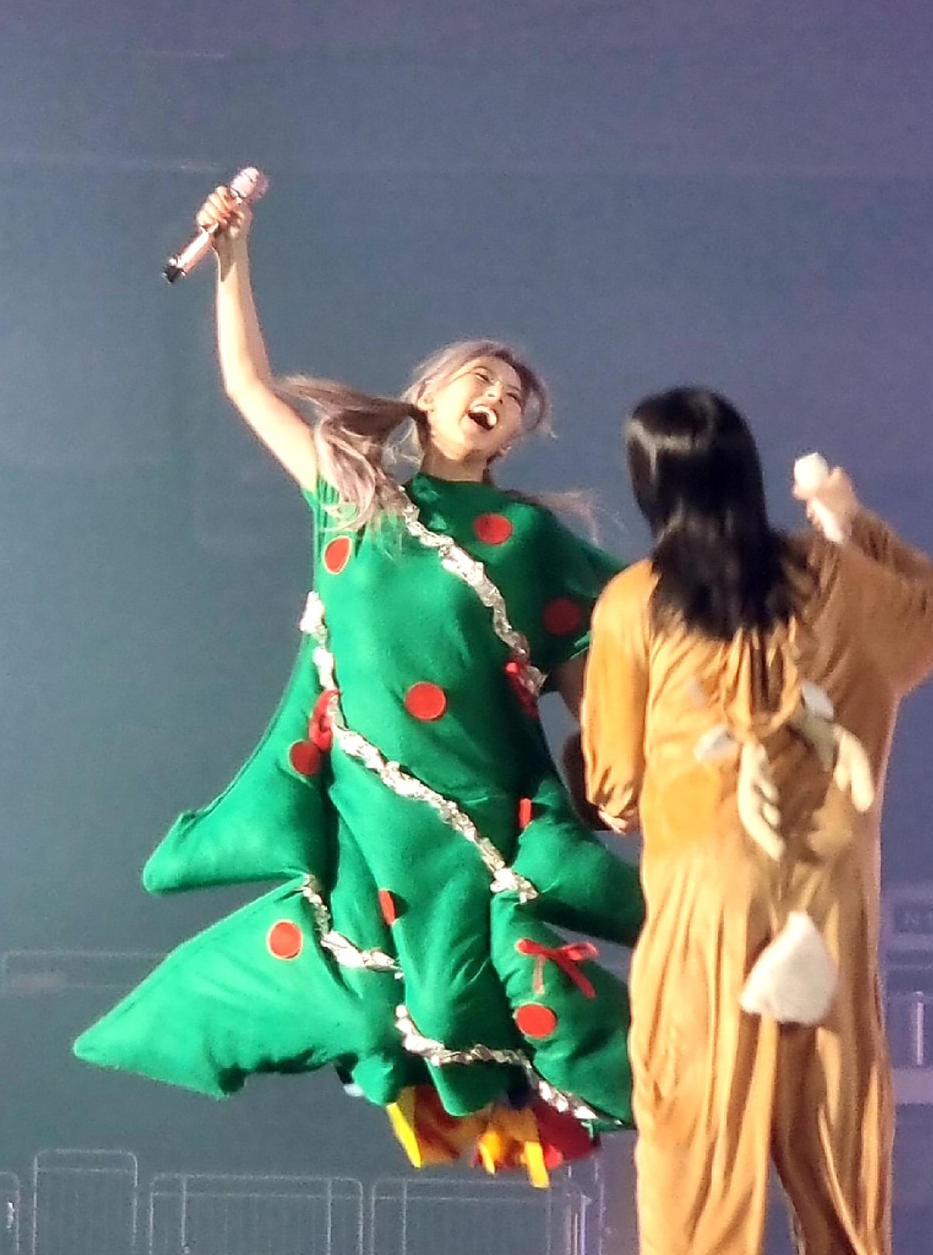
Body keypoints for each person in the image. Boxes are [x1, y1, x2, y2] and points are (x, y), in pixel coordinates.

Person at [75, 182, 642, 1178]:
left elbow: (585, 670)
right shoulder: (353, 496)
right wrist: (234, 256)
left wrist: (614, 774)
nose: (497, 397)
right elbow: (250, 385)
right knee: (376, 1003)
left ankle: (681, 1087)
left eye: (512, 401)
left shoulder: (529, 538)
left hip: (486, 811)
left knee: (496, 991)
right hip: (369, 812)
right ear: (429, 393)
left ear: (509, 440)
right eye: (481, 379)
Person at [581, 388, 933, 1255]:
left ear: (650, 485)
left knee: (692, 1115)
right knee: (836, 1122)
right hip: (825, 898)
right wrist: (852, 523)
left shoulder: (634, 602)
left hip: (706, 896)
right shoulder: (833, 576)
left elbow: (612, 785)